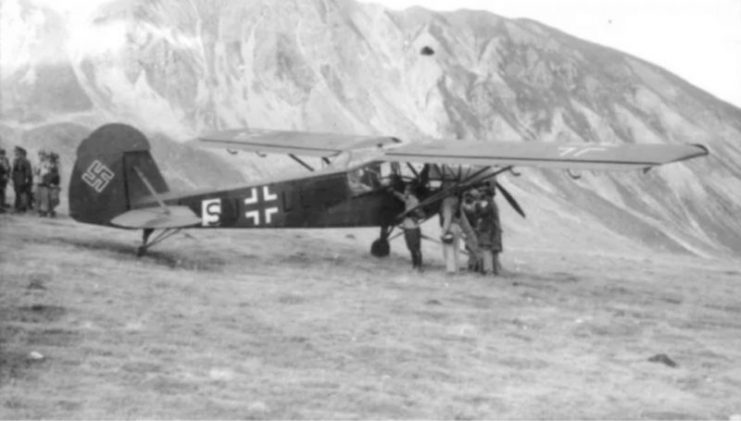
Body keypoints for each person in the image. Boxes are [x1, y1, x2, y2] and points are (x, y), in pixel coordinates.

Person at [392, 182, 424, 271]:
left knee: (414, 249)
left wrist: (400, 215)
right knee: (412, 248)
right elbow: (401, 197)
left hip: (412, 228)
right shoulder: (409, 199)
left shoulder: (413, 200)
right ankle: (416, 266)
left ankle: (418, 267)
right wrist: (394, 192)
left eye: (406, 190)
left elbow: (408, 212)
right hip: (409, 227)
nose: (404, 191)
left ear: (410, 192)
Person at [440, 188, 464, 274]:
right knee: (456, 249)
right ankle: (456, 269)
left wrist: (443, 232)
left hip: (450, 227)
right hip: (457, 226)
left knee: (448, 249)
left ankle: (450, 270)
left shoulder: (447, 201)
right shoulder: (457, 200)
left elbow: (447, 217)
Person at [11, 146, 33, 213]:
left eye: (16, 151)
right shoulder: (15, 160)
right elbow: (14, 170)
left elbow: (28, 171)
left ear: (21, 152)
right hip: (16, 179)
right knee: (17, 193)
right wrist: (12, 178)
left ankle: (22, 208)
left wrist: (26, 178)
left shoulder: (25, 161)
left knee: (22, 193)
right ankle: (17, 207)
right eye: (15, 151)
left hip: (22, 179)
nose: (15, 153)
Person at [48, 152, 61, 217]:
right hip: (49, 183)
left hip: (55, 184)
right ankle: (51, 211)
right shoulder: (49, 164)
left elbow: (59, 175)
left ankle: (51, 211)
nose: (50, 159)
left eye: (51, 158)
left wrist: (58, 185)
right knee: (51, 199)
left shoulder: (57, 165)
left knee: (54, 199)